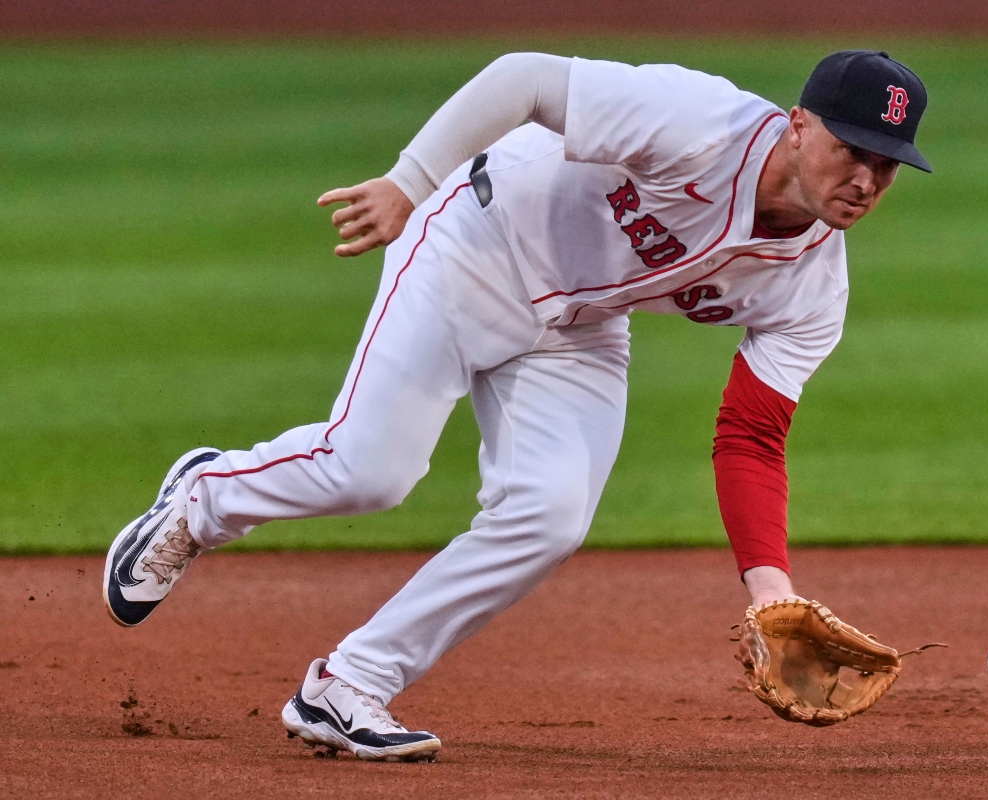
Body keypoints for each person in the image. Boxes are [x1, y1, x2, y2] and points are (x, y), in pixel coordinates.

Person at [103, 49, 931, 762]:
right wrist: (407, 183)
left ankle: (349, 684)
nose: (864, 179)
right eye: (850, 149)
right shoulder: (700, 122)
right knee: (370, 473)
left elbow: (751, 436)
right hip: (474, 242)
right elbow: (526, 79)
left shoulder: (816, 286)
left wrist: (770, 593)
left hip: (578, 324)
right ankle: (206, 498)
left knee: (550, 514)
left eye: (886, 164)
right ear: (797, 125)